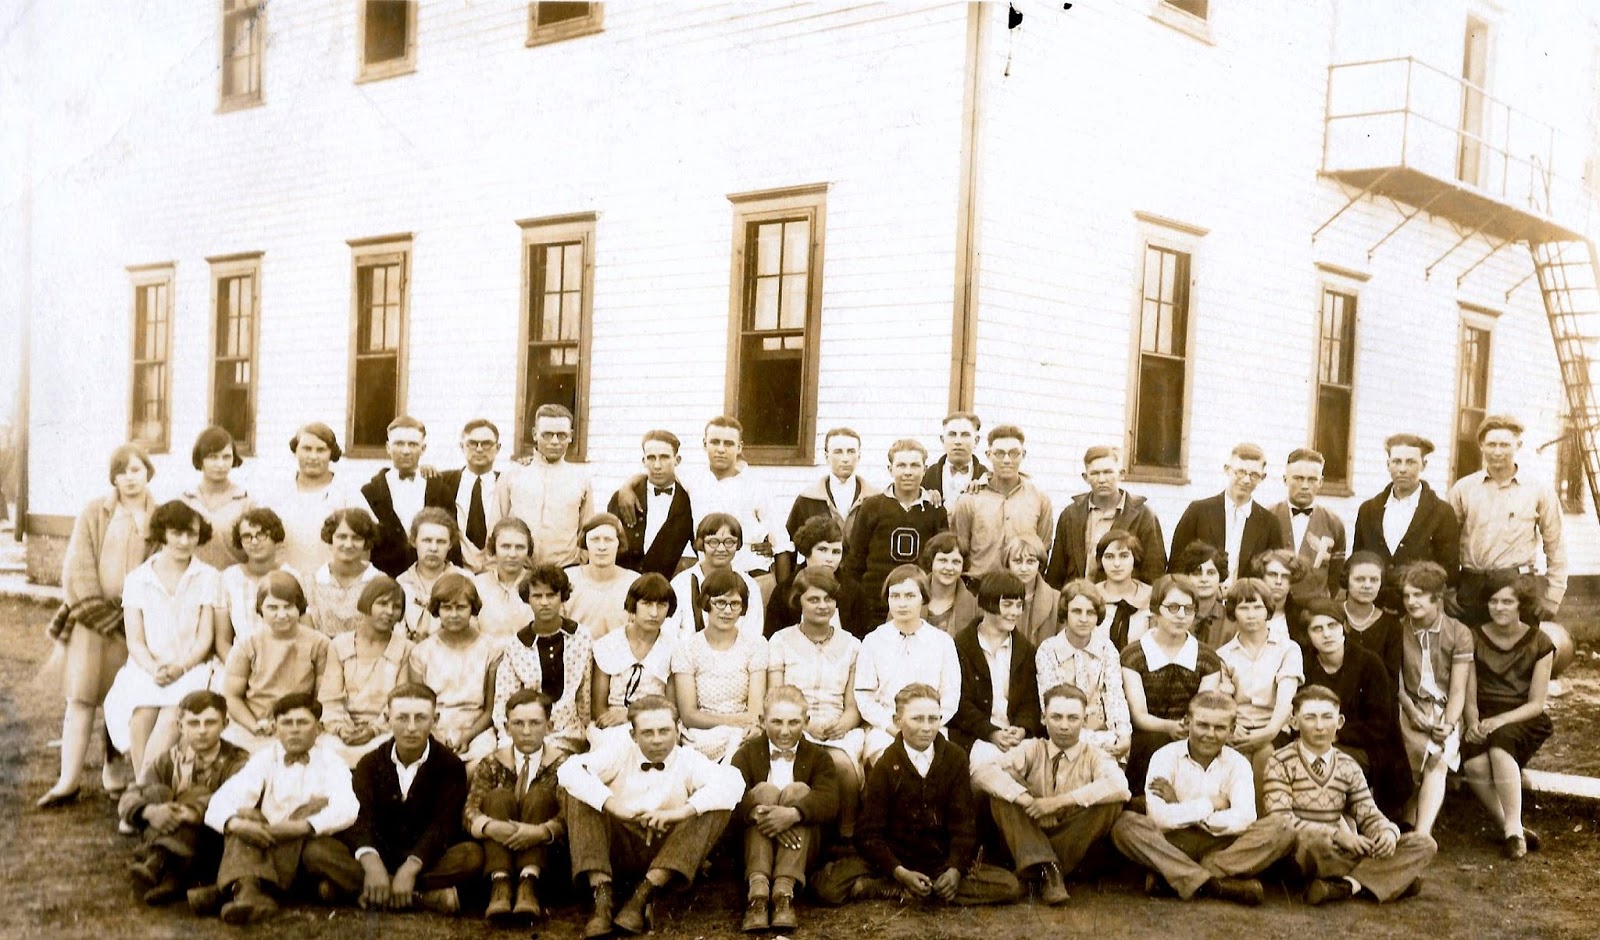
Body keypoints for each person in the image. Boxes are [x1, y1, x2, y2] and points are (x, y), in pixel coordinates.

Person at [812, 684, 1023, 907]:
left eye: (933, 719)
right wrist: (900, 872)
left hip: (939, 860)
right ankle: (897, 885)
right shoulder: (886, 763)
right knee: (828, 887)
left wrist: (954, 871)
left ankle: (922, 888)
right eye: (917, 719)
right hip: (897, 858)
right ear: (897, 721)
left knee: (1009, 886)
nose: (927, 727)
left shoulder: (955, 758)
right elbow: (869, 832)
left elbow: (964, 826)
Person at [557, 694, 743, 938]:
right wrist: (616, 807)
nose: (657, 740)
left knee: (716, 806)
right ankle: (602, 898)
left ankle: (644, 895)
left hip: (667, 850)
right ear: (633, 735)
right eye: (648, 733)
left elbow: (733, 782)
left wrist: (677, 814)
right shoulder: (618, 752)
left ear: (677, 731)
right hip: (621, 846)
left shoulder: (688, 759)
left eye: (664, 731)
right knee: (576, 793)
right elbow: (569, 770)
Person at [40, 443, 158, 808]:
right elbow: (78, 564)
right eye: (122, 471)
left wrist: (135, 612)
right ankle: (68, 779)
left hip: (134, 624)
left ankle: (114, 770)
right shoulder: (96, 512)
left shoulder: (159, 516)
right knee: (81, 698)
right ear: (114, 477)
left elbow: (160, 563)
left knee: (120, 700)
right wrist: (95, 608)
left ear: (148, 473)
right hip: (93, 623)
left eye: (136, 470)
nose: (129, 478)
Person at [303, 684, 483, 915]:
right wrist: (371, 864)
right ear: (387, 719)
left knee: (472, 855)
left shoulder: (450, 765)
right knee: (316, 851)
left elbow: (443, 826)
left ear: (435, 719)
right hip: (379, 855)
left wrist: (410, 868)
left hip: (426, 860)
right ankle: (422, 897)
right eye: (402, 718)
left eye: (420, 718)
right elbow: (359, 818)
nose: (411, 727)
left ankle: (361, 890)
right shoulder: (369, 763)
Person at [1110, 691, 1294, 905]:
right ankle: (1215, 884)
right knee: (1125, 826)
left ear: (1232, 730)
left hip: (1222, 846)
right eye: (1202, 725)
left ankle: (1180, 876)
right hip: (1174, 842)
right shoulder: (1165, 756)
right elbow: (1159, 818)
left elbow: (1245, 818)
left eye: (1219, 728)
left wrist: (1181, 807)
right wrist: (1213, 804)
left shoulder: (1238, 763)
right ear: (1188, 723)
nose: (1210, 734)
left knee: (1282, 828)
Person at [1263, 686, 1437, 905]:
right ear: (1294, 722)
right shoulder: (1280, 761)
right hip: (1301, 852)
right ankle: (1382, 879)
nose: (1320, 726)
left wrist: (1387, 832)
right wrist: (1337, 836)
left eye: (1327, 717)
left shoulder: (1348, 765)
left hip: (1340, 851)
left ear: (1340, 722)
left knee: (1424, 844)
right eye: (1310, 718)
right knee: (1315, 842)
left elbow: (1368, 813)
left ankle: (1347, 886)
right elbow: (1280, 821)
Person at [200, 693, 361, 925]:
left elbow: (347, 807)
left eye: (303, 723)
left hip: (309, 843)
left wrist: (301, 826)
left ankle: (237, 887)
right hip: (266, 839)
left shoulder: (332, 762)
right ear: (275, 728)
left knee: (314, 812)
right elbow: (223, 800)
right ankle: (248, 892)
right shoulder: (265, 758)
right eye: (287, 723)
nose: (294, 730)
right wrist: (237, 824)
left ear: (319, 727)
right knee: (245, 815)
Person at [973, 683, 1129, 905]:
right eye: (1056, 717)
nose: (1064, 726)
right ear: (1044, 719)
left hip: (1072, 840)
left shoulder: (1095, 755)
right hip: (1029, 832)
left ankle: (1038, 869)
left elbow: (1120, 786)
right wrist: (1028, 800)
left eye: (1073, 718)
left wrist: (1056, 803)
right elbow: (983, 772)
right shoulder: (1032, 748)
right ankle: (1048, 870)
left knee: (1110, 803)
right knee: (1000, 795)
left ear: (1085, 722)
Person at [103, 500, 222, 777]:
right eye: (176, 533)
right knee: (141, 714)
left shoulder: (208, 576)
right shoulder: (137, 579)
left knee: (171, 716)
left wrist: (180, 667)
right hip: (147, 667)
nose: (184, 541)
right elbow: (136, 641)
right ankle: (148, 792)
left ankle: (141, 795)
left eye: (191, 534)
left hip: (191, 667)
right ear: (163, 533)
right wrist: (154, 668)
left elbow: (205, 637)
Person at [620, 416, 791, 600]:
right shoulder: (693, 478)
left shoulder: (757, 486)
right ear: (704, 443)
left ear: (739, 447)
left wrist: (782, 597)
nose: (721, 449)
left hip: (753, 577)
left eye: (728, 443)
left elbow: (781, 544)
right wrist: (626, 487)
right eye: (715, 442)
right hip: (707, 581)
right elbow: (658, 473)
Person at [120, 690, 250, 906]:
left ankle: (156, 864)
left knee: (198, 793)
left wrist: (191, 812)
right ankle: (171, 876)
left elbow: (235, 797)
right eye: (193, 723)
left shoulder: (238, 760)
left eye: (210, 723)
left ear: (225, 724)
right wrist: (149, 812)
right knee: (155, 794)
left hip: (210, 841)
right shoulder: (169, 759)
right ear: (180, 727)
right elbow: (132, 793)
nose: (202, 731)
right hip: (172, 830)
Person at [730, 686, 842, 932]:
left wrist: (792, 814)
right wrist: (761, 814)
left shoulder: (818, 757)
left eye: (793, 722)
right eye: (776, 722)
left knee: (799, 791)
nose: (784, 731)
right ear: (762, 720)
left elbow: (830, 801)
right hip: (755, 848)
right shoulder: (746, 754)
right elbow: (731, 800)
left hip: (802, 847)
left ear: (806, 721)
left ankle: (783, 892)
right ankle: (758, 895)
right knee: (763, 792)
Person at [766, 568, 864, 839]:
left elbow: (853, 707)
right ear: (798, 601)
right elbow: (776, 696)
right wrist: (804, 727)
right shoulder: (781, 641)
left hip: (837, 726)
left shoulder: (853, 645)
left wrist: (842, 723)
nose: (823, 606)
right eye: (814, 599)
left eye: (828, 599)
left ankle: (846, 834)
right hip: (792, 722)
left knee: (843, 766)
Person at [1462, 573, 1555, 860]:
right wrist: (1472, 722)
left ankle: (1513, 833)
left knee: (1501, 748)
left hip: (1521, 716)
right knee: (1475, 763)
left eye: (1507, 601)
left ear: (1520, 605)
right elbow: (1470, 691)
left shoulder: (1540, 641)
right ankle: (1512, 826)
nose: (1499, 607)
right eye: (1493, 601)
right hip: (1483, 712)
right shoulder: (1474, 636)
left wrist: (1500, 721)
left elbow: (1537, 703)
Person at [1449, 414, 1568, 626]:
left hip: (1518, 585)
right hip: (1472, 586)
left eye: (1505, 444)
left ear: (1518, 445)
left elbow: (1555, 545)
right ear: (1481, 446)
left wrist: (1553, 595)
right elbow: (1446, 543)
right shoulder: (1463, 489)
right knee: (1469, 652)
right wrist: (1446, 590)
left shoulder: (1538, 490)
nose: (1497, 452)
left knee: (1522, 653)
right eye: (1491, 444)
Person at [1299, 599, 1412, 819]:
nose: (1327, 634)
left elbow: (1380, 724)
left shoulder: (1369, 663)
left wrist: (1336, 735)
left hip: (1368, 748)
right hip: (1316, 743)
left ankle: (1346, 824)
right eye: (1317, 629)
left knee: (1331, 764)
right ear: (1308, 635)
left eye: (1332, 626)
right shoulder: (1305, 666)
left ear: (1345, 628)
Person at [467, 688, 569, 922]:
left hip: (544, 855)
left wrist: (541, 831)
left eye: (535, 723)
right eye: (518, 723)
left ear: (549, 726)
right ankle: (500, 884)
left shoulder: (562, 764)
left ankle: (528, 884)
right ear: (506, 727)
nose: (526, 731)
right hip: (498, 849)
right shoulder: (492, 763)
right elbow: (470, 809)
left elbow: (569, 814)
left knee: (539, 796)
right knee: (498, 796)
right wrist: (490, 826)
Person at [220, 571, 345, 753]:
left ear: (299, 607)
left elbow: (323, 696)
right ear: (260, 608)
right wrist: (255, 725)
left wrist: (306, 723)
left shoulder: (319, 643)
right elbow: (231, 696)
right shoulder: (247, 644)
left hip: (302, 723)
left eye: (288, 607)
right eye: (272, 607)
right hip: (257, 723)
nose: (281, 614)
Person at [1121, 575, 1225, 795]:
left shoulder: (1207, 658)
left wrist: (1187, 728)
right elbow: (1139, 716)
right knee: (1153, 743)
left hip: (1193, 736)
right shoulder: (1133, 655)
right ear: (1156, 610)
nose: (1181, 615)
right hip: (1146, 739)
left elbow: (1203, 711)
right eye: (1173, 607)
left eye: (1188, 609)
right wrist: (1169, 727)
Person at [854, 566, 962, 765]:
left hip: (930, 728)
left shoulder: (942, 642)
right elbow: (864, 695)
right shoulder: (873, 640)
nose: (902, 603)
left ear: (923, 598)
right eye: (895, 596)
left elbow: (951, 695)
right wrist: (892, 726)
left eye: (910, 595)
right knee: (890, 761)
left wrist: (927, 725)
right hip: (886, 730)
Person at [1395, 561, 1472, 839]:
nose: (1410, 601)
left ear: (1437, 598)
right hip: (1407, 705)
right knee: (1408, 753)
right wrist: (1411, 710)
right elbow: (1398, 681)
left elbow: (1458, 689)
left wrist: (1449, 723)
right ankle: (1406, 817)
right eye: (1406, 595)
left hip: (1443, 709)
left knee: (1438, 757)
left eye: (1418, 595)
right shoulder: (1398, 628)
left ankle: (1422, 833)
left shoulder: (1458, 632)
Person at [842, 438, 947, 629]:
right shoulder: (871, 507)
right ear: (890, 469)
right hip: (874, 605)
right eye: (901, 465)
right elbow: (855, 560)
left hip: (917, 605)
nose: (908, 472)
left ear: (924, 470)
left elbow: (938, 560)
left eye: (915, 465)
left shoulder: (935, 510)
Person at [1215, 574, 1304, 800]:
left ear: (1268, 610)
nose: (1251, 614)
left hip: (1275, 729)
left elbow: (1286, 698)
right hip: (1238, 730)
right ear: (1233, 612)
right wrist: (1232, 728)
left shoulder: (1287, 648)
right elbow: (1225, 701)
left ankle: (1263, 822)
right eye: (1244, 608)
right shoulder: (1224, 655)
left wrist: (1268, 732)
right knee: (1236, 762)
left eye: (1257, 606)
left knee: (1265, 754)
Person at [493, 563, 595, 756]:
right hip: (526, 733)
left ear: (562, 597)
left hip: (569, 733)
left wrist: (588, 734)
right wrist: (507, 740)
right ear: (528, 600)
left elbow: (585, 695)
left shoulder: (581, 637)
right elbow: (504, 700)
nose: (545, 602)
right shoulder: (516, 645)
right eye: (537, 596)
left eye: (551, 595)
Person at [1351, 433, 1460, 612]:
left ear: (1424, 465)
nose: (1402, 469)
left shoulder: (1441, 512)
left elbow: (1449, 571)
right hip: (1375, 608)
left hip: (1418, 609)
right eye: (1396, 461)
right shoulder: (1368, 510)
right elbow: (1359, 559)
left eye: (1410, 462)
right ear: (1388, 464)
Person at [672, 569, 769, 762]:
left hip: (743, 734)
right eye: (720, 603)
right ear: (706, 603)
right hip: (701, 735)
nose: (727, 610)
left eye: (735, 604)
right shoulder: (687, 648)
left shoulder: (756, 645)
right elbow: (689, 714)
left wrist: (748, 726)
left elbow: (755, 711)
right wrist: (733, 722)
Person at [404, 573, 499, 765]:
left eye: (461, 607)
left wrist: (467, 736)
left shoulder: (491, 650)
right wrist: (436, 736)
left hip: (476, 729)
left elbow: (490, 709)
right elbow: (419, 705)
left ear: (472, 608)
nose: (454, 615)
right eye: (447, 608)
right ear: (437, 610)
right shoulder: (422, 652)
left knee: (479, 764)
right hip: (432, 728)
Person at [950, 571, 1042, 767]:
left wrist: (1022, 729)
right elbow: (960, 703)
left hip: (1016, 738)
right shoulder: (960, 646)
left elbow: (1031, 701)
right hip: (976, 736)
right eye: (1007, 605)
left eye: (1019, 605)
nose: (1015, 612)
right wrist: (991, 732)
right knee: (993, 765)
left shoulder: (1025, 650)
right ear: (987, 603)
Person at [1045, 445, 1166, 589]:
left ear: (1121, 474)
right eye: (1095, 473)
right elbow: (1056, 570)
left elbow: (1154, 572)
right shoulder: (1070, 515)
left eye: (1108, 472)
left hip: (1124, 606)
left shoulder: (1143, 516)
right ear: (1086, 477)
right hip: (1078, 603)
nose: (1102, 479)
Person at [1035, 581, 1131, 760]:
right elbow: (1051, 704)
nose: (1084, 619)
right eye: (1077, 611)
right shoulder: (1048, 650)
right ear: (1065, 612)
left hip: (1106, 737)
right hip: (1063, 735)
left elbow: (1115, 695)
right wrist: (1093, 744)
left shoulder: (1106, 648)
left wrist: (1123, 734)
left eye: (1091, 613)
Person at [325, 577, 414, 765]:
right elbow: (330, 698)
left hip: (385, 729)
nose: (389, 612)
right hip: (343, 729)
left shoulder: (406, 649)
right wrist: (341, 728)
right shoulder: (339, 645)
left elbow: (399, 701)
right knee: (325, 752)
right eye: (382, 603)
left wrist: (373, 730)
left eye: (396, 607)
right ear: (366, 603)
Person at [1168, 443, 1286, 584]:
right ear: (1227, 470)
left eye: (1254, 475)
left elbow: (1272, 572)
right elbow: (1176, 566)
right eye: (1240, 472)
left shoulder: (1269, 522)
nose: (1246, 480)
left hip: (1245, 603)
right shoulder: (1198, 511)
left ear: (1263, 477)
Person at [948, 424, 1053, 578]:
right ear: (988, 455)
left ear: (1023, 454)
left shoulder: (1039, 500)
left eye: (1013, 453)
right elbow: (959, 549)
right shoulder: (969, 500)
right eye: (999, 453)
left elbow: (1043, 549)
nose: (1006, 460)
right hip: (979, 589)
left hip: (1021, 590)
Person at [498, 403, 595, 568]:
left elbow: (588, 529)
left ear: (571, 436)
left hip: (565, 571)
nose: (555, 441)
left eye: (561, 435)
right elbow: (497, 526)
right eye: (547, 435)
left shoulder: (581, 479)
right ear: (535, 434)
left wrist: (581, 561)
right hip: (519, 570)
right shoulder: (513, 475)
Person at [588, 574, 678, 751]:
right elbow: (599, 707)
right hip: (611, 726)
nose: (654, 613)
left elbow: (672, 708)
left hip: (656, 724)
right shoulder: (609, 644)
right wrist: (616, 721)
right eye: (646, 604)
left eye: (662, 605)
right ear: (633, 605)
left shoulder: (675, 648)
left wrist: (631, 716)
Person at [272, 422, 360, 580]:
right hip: (286, 583)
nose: (313, 456)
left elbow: (365, 546)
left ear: (331, 453)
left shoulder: (348, 494)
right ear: (295, 451)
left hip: (333, 584)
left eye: (321, 450)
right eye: (306, 449)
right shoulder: (277, 493)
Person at [608, 429, 695, 581]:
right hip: (620, 585)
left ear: (677, 460)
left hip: (661, 589)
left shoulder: (688, 502)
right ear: (644, 461)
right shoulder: (623, 497)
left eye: (664, 457)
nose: (657, 465)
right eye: (651, 458)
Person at [213, 509, 296, 667]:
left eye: (261, 534)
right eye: (247, 536)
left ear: (275, 536)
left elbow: (305, 634)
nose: (254, 542)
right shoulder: (228, 578)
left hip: (285, 663)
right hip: (239, 663)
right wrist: (241, 668)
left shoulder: (292, 576)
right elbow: (222, 642)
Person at [664, 513, 765, 641]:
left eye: (729, 542)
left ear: (738, 544)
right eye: (713, 542)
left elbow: (753, 633)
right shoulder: (681, 583)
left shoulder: (749, 585)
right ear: (701, 544)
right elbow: (669, 634)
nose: (721, 549)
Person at [424, 418, 505, 572]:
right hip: (454, 570)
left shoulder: (508, 482)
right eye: (472, 443)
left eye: (486, 443)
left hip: (497, 572)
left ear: (498, 447)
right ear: (462, 446)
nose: (479, 449)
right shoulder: (442, 482)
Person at [1269, 448, 1347, 603]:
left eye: (1312, 479)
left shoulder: (1334, 523)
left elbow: (1336, 576)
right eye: (1298, 478)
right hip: (1274, 608)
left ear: (1321, 482)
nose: (1305, 486)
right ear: (1285, 479)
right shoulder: (1268, 517)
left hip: (1314, 611)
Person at [770, 515, 867, 637]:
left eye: (836, 552)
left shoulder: (854, 592)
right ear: (807, 551)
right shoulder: (784, 591)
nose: (829, 559)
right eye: (822, 550)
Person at [360, 415, 431, 577]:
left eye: (413, 444)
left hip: (428, 578)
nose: (406, 451)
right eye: (399, 444)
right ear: (388, 447)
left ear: (423, 448)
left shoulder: (438, 489)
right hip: (383, 578)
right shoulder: (369, 492)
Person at [181, 426, 252, 572]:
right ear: (200, 459)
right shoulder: (186, 501)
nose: (221, 464)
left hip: (232, 585)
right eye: (213, 457)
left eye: (226, 457)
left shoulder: (246, 502)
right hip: (195, 585)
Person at [394, 506, 469, 642]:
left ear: (450, 544)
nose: (433, 548)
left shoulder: (465, 580)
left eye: (441, 542)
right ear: (413, 541)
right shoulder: (401, 584)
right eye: (427, 540)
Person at [785, 427, 871, 543]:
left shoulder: (876, 499)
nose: (845, 459)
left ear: (859, 456)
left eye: (851, 451)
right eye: (838, 452)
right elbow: (789, 544)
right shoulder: (808, 499)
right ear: (826, 457)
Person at [564, 512, 642, 640]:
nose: (602, 547)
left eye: (608, 540)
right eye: (595, 540)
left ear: (619, 543)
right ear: (585, 543)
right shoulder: (568, 579)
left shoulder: (634, 582)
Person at [305, 507, 382, 637]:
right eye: (342, 537)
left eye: (356, 538)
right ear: (331, 538)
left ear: (366, 542)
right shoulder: (311, 581)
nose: (348, 544)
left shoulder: (378, 581)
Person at [1340, 551, 1404, 680]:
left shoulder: (1391, 625)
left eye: (1374, 580)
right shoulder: (1332, 617)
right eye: (1359, 579)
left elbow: (1391, 679)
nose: (1367, 585)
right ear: (1347, 580)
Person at [473, 517, 536, 639]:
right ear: (493, 548)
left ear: (528, 549)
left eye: (520, 547)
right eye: (505, 547)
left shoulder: (540, 585)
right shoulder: (477, 585)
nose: (512, 554)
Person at [1095, 529, 1152, 650]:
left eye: (1124, 556)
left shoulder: (1152, 597)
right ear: (1101, 561)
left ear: (1134, 558)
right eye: (1109, 557)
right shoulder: (1091, 596)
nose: (1116, 564)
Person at [1004, 532, 1060, 647]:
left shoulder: (1057, 599)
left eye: (1030, 561)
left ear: (1039, 564)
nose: (1024, 568)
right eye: (1018, 561)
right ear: (1007, 563)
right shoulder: (995, 597)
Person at [920, 411, 988, 504]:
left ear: (976, 441)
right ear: (942, 440)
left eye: (965, 435)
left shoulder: (985, 477)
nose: (958, 441)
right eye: (952, 434)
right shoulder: (927, 475)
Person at [1170, 541, 1229, 646]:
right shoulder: (1175, 616)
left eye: (1211, 573)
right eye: (1196, 573)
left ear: (1221, 576)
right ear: (1186, 576)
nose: (1204, 579)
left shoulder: (1231, 620)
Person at [920, 532, 979, 634]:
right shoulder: (908, 596)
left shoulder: (975, 606)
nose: (949, 568)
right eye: (943, 560)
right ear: (931, 561)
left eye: (956, 562)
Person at [1250, 549, 1304, 643]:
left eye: (1285, 576)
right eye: (1272, 574)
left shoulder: (1301, 616)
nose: (1278, 581)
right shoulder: (1247, 611)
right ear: (1261, 576)